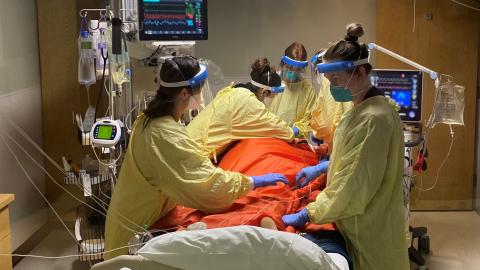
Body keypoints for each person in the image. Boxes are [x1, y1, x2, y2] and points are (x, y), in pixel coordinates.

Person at [104, 56, 289, 259]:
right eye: (200, 89)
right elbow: (206, 184)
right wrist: (251, 182)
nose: (202, 95)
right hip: (135, 234)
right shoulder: (164, 135)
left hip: (139, 215)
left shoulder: (148, 119)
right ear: (184, 93)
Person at [282, 23, 409, 270]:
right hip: (361, 219)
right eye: (329, 81)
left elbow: (353, 185)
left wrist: (310, 213)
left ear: (360, 72)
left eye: (336, 80)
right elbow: (360, 159)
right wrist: (326, 166)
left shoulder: (373, 119)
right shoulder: (363, 109)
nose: (332, 88)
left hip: (370, 232)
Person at [187, 57, 299, 160]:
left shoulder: (233, 90)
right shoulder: (249, 104)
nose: (273, 100)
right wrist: (296, 130)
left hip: (187, 143)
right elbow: (285, 133)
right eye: (273, 96)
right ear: (264, 92)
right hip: (193, 157)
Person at [267, 42, 317, 137]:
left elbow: (309, 119)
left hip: (294, 140)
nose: (293, 72)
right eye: (290, 68)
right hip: (269, 137)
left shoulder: (307, 91)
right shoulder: (270, 82)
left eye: (297, 70)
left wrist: (296, 130)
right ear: (283, 64)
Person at [309, 50, 353, 147]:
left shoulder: (327, 82)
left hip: (341, 143)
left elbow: (331, 121)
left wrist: (317, 133)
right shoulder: (340, 80)